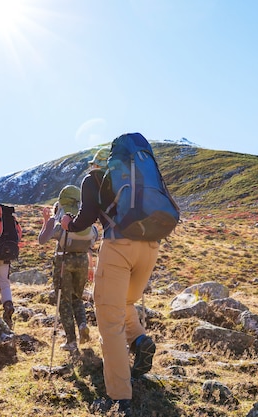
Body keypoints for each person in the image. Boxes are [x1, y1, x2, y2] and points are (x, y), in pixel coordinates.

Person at [61, 144, 159, 416]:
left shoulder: (93, 179)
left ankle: (119, 399)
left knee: (108, 318)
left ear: (96, 164)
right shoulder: (136, 176)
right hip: (150, 247)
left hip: (119, 247)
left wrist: (68, 223)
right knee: (125, 302)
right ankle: (139, 341)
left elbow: (86, 219)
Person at [39, 185, 97, 353]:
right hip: (82, 262)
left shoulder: (58, 219)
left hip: (64, 262)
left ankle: (71, 341)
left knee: (63, 301)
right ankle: (83, 325)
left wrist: (47, 221)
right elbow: (94, 239)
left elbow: (42, 240)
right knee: (77, 298)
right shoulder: (83, 219)